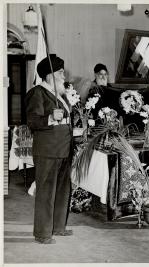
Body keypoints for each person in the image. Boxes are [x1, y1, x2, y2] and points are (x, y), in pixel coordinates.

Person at [25, 55, 73, 244]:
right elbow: (32, 121)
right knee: (46, 192)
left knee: (62, 190)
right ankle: (43, 233)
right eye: (60, 72)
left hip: (63, 149)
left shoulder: (58, 94)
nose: (63, 76)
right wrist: (51, 119)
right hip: (47, 151)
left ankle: (58, 227)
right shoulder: (37, 93)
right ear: (48, 75)